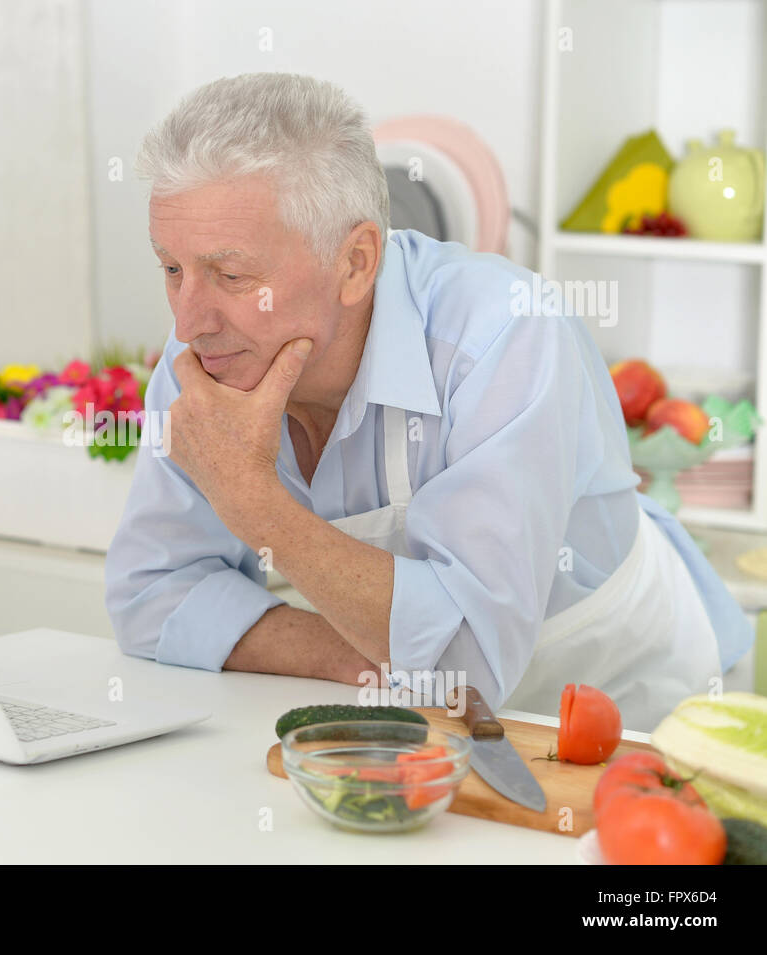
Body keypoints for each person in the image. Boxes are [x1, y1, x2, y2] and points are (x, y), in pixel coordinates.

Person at [103, 72, 751, 733]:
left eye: (231, 275)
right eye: (172, 269)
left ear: (354, 263)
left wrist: (255, 503)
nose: (187, 323)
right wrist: (355, 656)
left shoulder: (507, 335)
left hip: (639, 701)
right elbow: (150, 593)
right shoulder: (213, 355)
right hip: (425, 720)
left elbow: (465, 664)